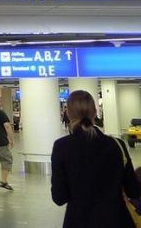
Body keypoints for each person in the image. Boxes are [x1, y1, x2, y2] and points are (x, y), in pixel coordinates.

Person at [51, 90, 140, 227]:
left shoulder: (61, 147)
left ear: (68, 114)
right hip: (116, 220)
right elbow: (133, 190)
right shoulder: (117, 144)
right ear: (95, 113)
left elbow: (59, 197)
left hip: (78, 221)